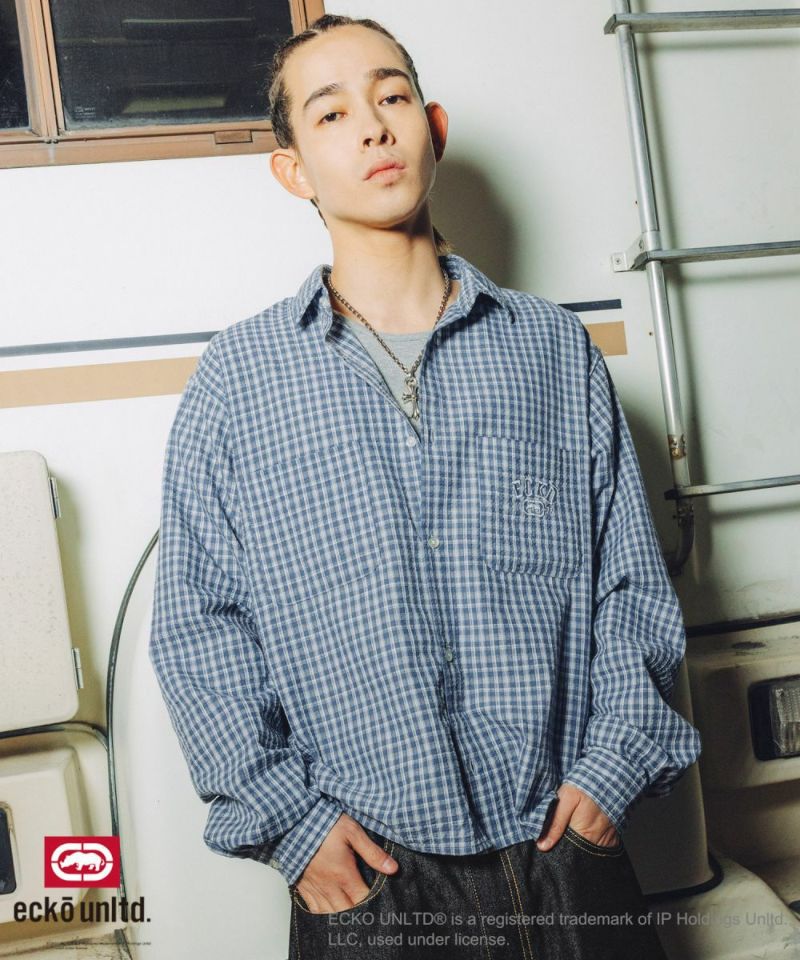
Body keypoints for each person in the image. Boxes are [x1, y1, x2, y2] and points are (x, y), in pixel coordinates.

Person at [148, 13, 702, 959]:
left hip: (565, 850)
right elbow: (201, 628)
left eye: (392, 96)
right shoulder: (239, 383)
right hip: (371, 877)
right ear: (293, 171)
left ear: (432, 128)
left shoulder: (550, 351)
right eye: (331, 114)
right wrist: (290, 822)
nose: (372, 126)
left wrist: (613, 771)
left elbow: (629, 585)